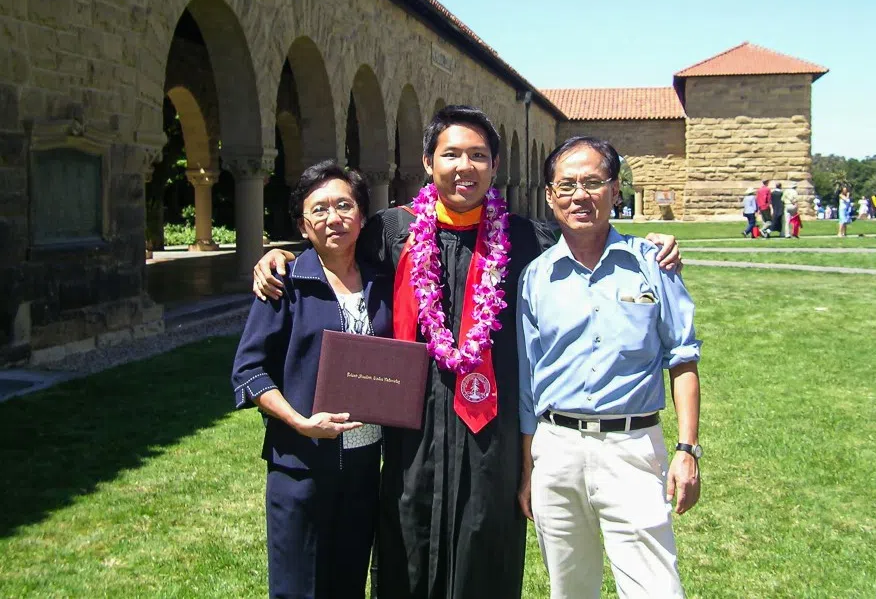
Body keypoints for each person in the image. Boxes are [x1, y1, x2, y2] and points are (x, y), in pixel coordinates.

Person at [250, 106, 683, 599]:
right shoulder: (393, 232)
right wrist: (281, 255)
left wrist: (651, 246)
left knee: (484, 545)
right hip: (413, 430)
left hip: (491, 435)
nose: (464, 166)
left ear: (495, 166)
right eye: (451, 154)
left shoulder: (526, 239)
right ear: (428, 162)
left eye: (478, 155)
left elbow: (589, 241)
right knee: (409, 545)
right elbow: (334, 247)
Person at [517, 137, 701, 598]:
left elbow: (682, 357)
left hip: (631, 447)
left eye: (593, 182)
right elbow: (527, 381)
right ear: (550, 196)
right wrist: (529, 469)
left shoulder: (652, 264)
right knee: (570, 589)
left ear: (615, 190)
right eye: (567, 185)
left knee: (656, 588)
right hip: (556, 450)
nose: (580, 195)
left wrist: (687, 450)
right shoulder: (536, 277)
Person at [231, 160, 392, 598]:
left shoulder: (383, 282)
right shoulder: (285, 283)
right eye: (318, 209)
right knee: (299, 586)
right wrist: (300, 422)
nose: (332, 218)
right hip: (301, 465)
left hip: (364, 466)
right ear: (303, 225)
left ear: (362, 216)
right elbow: (248, 370)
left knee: (348, 584)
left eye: (344, 205)